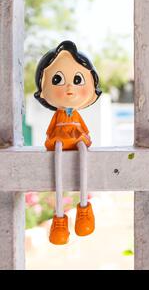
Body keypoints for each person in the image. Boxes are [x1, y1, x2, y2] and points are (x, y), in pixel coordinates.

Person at [34, 40, 102, 245]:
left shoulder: (76, 115)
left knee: (83, 158)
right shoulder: (58, 115)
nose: (70, 87)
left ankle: (84, 209)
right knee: (57, 169)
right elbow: (50, 132)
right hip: (59, 142)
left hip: (78, 139)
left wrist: (85, 138)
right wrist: (51, 140)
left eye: (78, 79)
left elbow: (84, 130)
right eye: (57, 79)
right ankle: (59, 218)